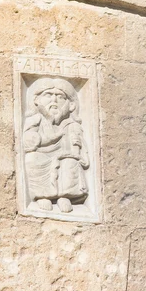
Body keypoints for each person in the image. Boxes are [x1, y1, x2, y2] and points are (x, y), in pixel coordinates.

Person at [23, 77, 89, 213]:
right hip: (42, 155)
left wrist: (78, 147)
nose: (54, 101)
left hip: (65, 156)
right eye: (48, 95)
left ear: (70, 104)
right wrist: (43, 138)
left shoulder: (71, 124)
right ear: (37, 101)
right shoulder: (36, 120)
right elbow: (28, 142)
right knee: (32, 159)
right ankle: (42, 195)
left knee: (70, 163)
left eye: (60, 97)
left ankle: (65, 196)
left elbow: (83, 152)